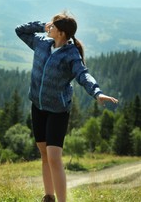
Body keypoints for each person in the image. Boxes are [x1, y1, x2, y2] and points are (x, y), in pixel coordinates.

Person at [15, 12, 118, 202]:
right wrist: (41, 26)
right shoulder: (42, 43)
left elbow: (83, 75)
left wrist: (97, 92)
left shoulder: (71, 55)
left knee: (54, 157)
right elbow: (20, 31)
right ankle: (49, 197)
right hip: (37, 106)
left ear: (61, 33)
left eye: (53, 26)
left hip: (58, 111)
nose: (50, 28)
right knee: (45, 155)